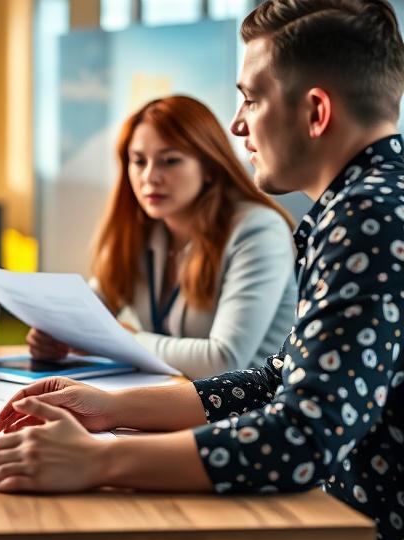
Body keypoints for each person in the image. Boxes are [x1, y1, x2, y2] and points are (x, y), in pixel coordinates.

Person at [0, 0, 404, 540]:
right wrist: (110, 409)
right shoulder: (364, 205)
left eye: (250, 99)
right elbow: (276, 380)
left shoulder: (367, 220)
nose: (237, 124)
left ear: (315, 112)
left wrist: (100, 460)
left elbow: (303, 437)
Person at [28, 95, 297, 380]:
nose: (150, 177)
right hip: (173, 400)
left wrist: (119, 339)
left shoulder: (259, 230)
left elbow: (223, 361)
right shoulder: (143, 228)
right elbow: (88, 313)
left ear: (209, 167)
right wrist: (57, 333)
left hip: (251, 411)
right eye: (139, 161)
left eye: (169, 161)